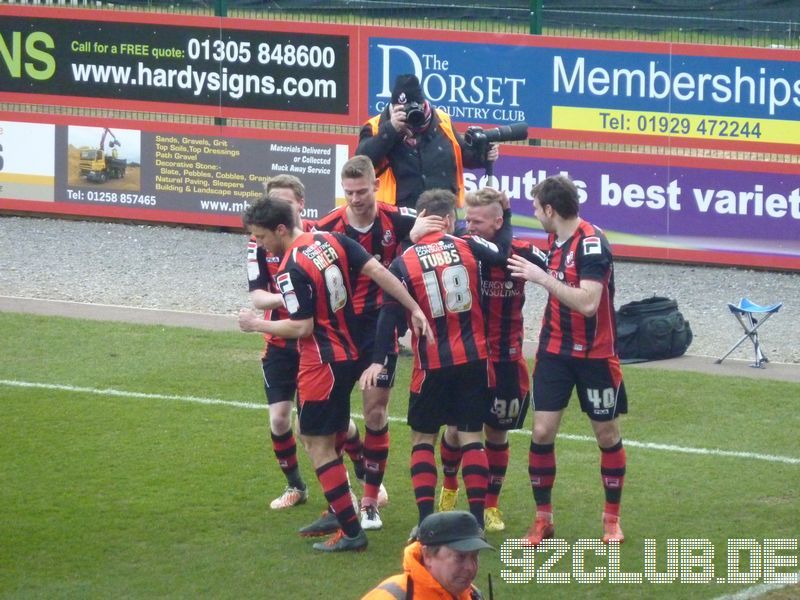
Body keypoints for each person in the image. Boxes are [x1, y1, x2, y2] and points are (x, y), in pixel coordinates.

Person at [240, 194, 431, 552]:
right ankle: (337, 509)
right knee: (326, 429)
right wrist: (414, 307)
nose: (260, 243)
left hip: (320, 364)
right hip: (349, 353)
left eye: (262, 236)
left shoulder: (290, 268)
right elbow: (379, 272)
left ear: (280, 228)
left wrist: (255, 324)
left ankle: (350, 530)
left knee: (317, 443)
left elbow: (302, 327)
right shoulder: (332, 239)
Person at [360, 188, 509, 532]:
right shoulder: (468, 245)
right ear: (449, 220)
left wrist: (379, 359)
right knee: (472, 436)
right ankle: (475, 521)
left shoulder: (404, 260)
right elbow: (501, 254)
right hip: (474, 358)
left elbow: (387, 315)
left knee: (422, 439)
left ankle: (426, 520)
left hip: (431, 363)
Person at [507, 174, 628, 545]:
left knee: (606, 434)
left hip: (595, 356)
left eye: (535, 208)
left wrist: (542, 278)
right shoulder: (556, 240)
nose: (534, 214)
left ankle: (611, 520)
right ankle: (543, 519)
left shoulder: (591, 245)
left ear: (550, 209)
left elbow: (589, 303)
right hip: (555, 353)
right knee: (542, 432)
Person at [239, 175, 365, 513]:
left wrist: (301, 295)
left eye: (286, 201)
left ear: (300, 205)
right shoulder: (258, 242)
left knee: (331, 425)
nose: (280, 206)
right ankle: (296, 486)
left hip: (318, 345)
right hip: (281, 340)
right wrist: (295, 294)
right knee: (280, 420)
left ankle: (359, 480)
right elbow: (257, 296)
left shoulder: (316, 238)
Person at [314, 155, 419, 530]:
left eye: (362, 191)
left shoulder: (398, 217)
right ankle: (349, 482)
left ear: (376, 186)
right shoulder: (327, 226)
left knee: (375, 413)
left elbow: (433, 224)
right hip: (339, 331)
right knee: (336, 421)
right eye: (349, 192)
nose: (355, 198)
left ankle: (370, 501)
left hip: (381, 329)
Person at [436, 188, 547, 533]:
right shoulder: (463, 247)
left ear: (499, 222)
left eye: (478, 221)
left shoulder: (523, 253)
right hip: (467, 358)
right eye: (467, 219)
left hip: (506, 359)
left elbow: (558, 272)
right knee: (455, 431)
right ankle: (451, 486)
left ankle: (491, 506)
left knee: (497, 433)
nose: (470, 227)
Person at [356, 74, 497, 209]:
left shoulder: (442, 120)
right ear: (392, 107)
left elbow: (463, 156)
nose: (408, 113)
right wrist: (391, 129)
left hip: (442, 208)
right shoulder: (375, 126)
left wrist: (483, 154)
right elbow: (361, 162)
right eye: (401, 109)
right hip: (396, 214)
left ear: (423, 104)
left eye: (414, 107)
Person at [361, 511, 492, 600]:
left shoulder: (471, 595)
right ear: (428, 556)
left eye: (474, 556)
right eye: (460, 557)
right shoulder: (391, 597)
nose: (470, 567)